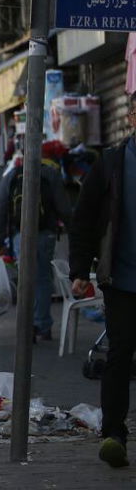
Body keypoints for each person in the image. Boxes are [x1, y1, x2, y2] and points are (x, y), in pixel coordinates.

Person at [71, 97, 136, 467]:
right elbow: (83, 220)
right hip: (123, 279)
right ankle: (114, 434)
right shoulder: (111, 163)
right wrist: (80, 271)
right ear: (131, 117)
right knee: (120, 354)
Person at [0, 143, 73, 342]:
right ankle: (42, 325)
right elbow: (63, 207)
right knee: (44, 279)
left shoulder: (12, 176)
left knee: (26, 280)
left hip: (21, 235)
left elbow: (0, 208)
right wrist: (74, 231)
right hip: (46, 234)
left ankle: (27, 326)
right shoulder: (50, 174)